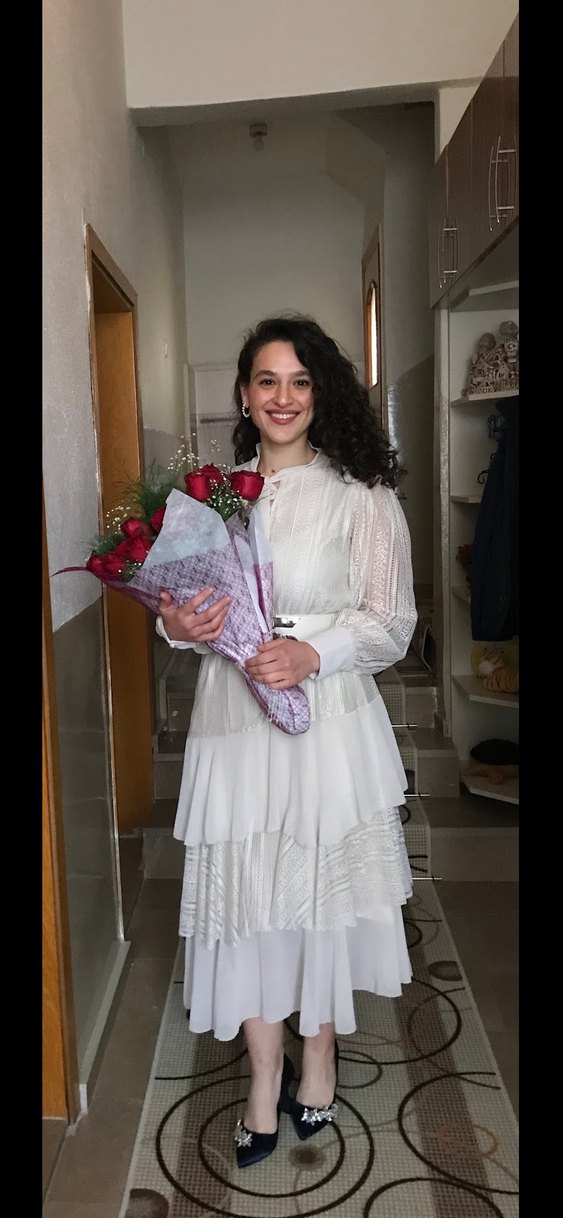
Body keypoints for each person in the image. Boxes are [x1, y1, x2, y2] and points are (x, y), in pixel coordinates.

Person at [156, 314, 417, 1168]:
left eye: (299, 381)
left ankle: (320, 1054)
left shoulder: (359, 495)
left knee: (321, 895)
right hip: (234, 724)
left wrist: (313, 653)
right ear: (243, 394)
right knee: (248, 902)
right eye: (267, 380)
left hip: (325, 722)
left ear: (320, 395)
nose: (282, 397)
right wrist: (177, 624)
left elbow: (391, 621)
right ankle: (263, 1078)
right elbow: (184, 611)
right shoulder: (210, 498)